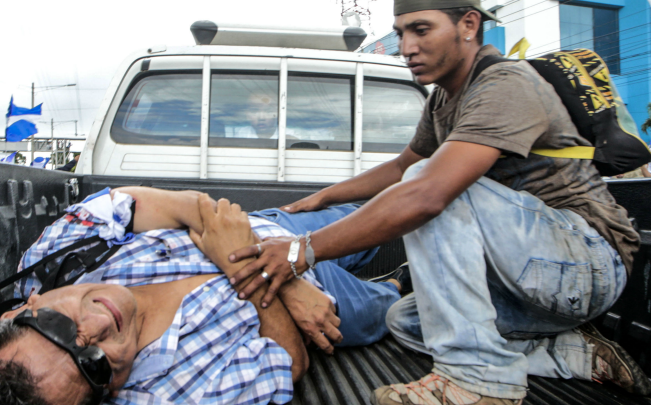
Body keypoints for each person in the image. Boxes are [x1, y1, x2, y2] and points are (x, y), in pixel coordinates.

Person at [220, 1, 650, 404]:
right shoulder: (444, 98)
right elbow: (402, 165)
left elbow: (426, 191)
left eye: (421, 30)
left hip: (586, 264)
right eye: (401, 33)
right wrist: (322, 197)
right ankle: (576, 353)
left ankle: (479, 381)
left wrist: (302, 250)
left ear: (468, 24)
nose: (407, 47)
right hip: (528, 277)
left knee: (431, 184)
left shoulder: (506, 84)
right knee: (405, 321)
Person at [0, 186, 406, 404]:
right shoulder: (163, 396)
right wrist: (278, 279)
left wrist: (285, 272)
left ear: (22, 309)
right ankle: (395, 284)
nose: (98, 326)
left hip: (279, 229)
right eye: (94, 366)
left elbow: (188, 206)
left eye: (60, 327)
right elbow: (289, 363)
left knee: (395, 214)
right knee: (391, 306)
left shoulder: (53, 256)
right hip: (323, 307)